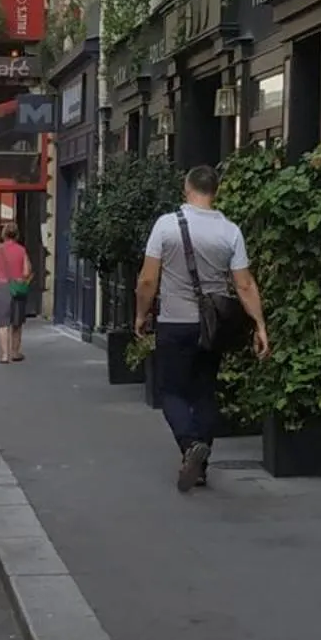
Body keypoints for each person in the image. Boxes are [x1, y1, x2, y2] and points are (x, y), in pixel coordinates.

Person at [135, 164, 271, 494]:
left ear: (186, 187)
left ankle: (189, 444)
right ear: (216, 191)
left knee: (171, 392)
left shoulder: (166, 226)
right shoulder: (230, 231)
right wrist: (260, 325)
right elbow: (244, 284)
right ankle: (200, 468)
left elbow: (148, 279)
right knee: (205, 391)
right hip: (214, 325)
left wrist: (140, 315)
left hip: (175, 322)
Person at [0, 224, 32, 363]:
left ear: (4, 234)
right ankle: (15, 352)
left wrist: (0, 275)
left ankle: (5, 355)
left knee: (2, 323)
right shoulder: (22, 250)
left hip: (1, 286)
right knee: (16, 323)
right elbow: (26, 272)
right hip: (17, 287)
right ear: (17, 235)